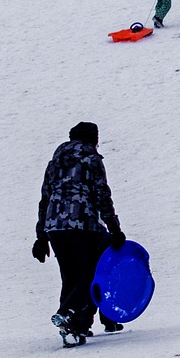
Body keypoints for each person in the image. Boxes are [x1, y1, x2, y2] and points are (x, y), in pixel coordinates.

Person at [34, 121, 126, 342]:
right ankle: (68, 315)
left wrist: (41, 236)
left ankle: (76, 328)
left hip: (54, 226)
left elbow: (45, 197)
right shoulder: (92, 159)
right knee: (89, 275)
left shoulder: (55, 163)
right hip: (83, 224)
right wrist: (114, 228)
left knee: (70, 277)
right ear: (93, 139)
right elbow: (101, 195)